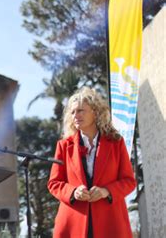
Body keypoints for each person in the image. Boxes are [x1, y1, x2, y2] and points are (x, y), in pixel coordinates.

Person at [48, 87, 136, 238]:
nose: (76, 115)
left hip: (111, 222)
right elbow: (54, 183)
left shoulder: (116, 143)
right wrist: (73, 192)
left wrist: (106, 191)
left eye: (81, 110)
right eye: (73, 112)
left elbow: (129, 181)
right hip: (73, 224)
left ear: (95, 112)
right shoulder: (63, 146)